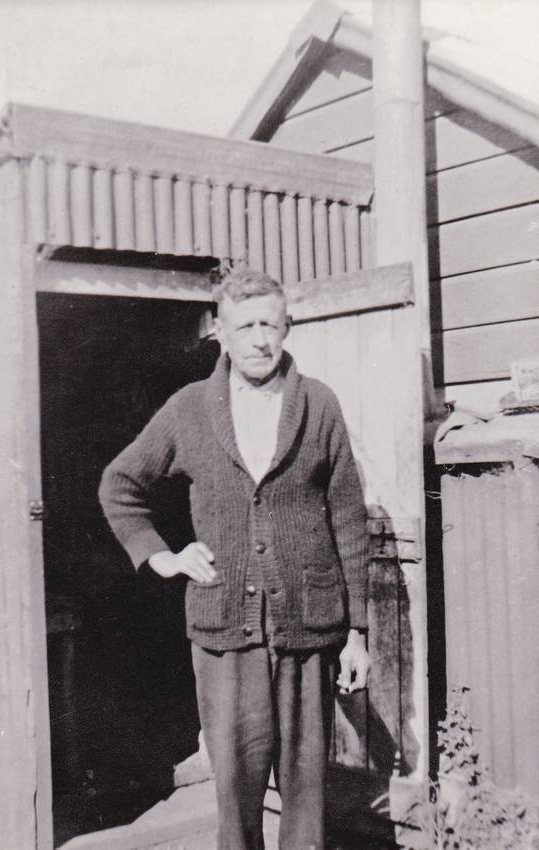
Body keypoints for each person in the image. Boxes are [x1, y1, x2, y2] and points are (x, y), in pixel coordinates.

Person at [99, 267, 371, 850]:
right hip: (225, 636)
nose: (258, 339)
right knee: (237, 797)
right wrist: (161, 557)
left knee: (307, 799)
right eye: (244, 325)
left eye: (269, 324)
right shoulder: (189, 408)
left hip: (309, 631)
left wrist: (356, 631)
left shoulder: (319, 405)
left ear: (287, 328)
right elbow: (120, 485)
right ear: (219, 331)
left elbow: (347, 514)